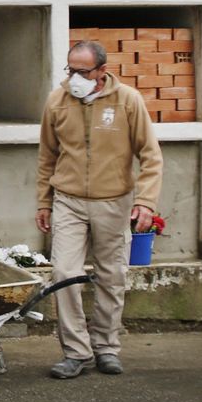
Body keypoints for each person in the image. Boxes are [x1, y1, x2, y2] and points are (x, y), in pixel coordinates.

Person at [36, 40, 163, 379]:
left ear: (101, 72)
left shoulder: (128, 102)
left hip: (114, 202)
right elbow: (47, 156)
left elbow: (151, 156)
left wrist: (145, 202)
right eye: (70, 70)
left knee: (112, 275)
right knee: (64, 274)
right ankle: (76, 352)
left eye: (82, 71)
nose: (74, 77)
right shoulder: (57, 101)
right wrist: (44, 201)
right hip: (68, 201)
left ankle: (106, 347)